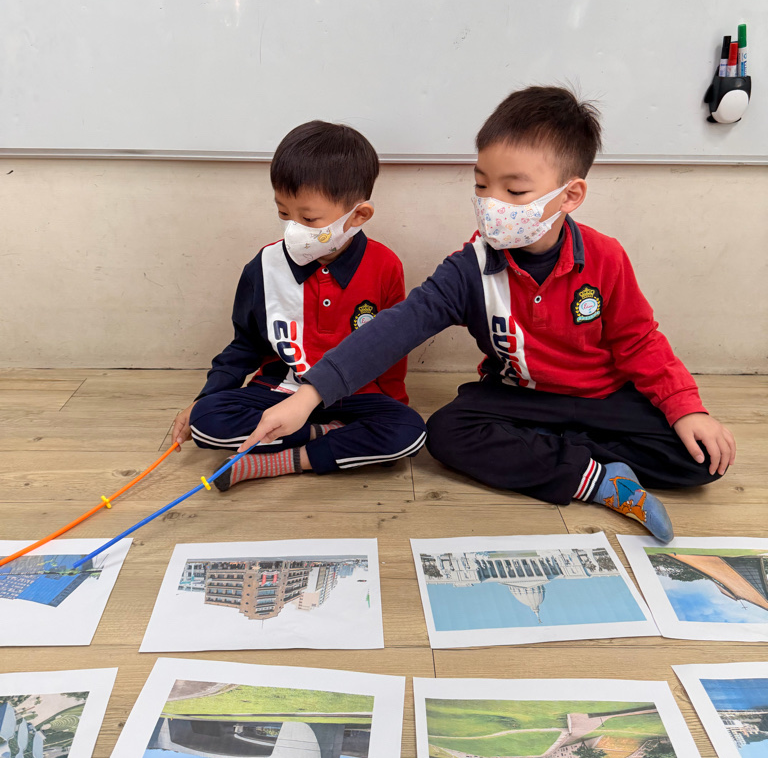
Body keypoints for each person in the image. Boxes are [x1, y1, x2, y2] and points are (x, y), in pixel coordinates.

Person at [237, 87, 737, 543]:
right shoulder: (468, 269)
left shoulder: (606, 257)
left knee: (701, 461)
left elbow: (639, 340)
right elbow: (397, 327)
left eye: (514, 192)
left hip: (603, 397)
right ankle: (598, 478)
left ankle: (553, 451)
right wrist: (310, 395)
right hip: (519, 399)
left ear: (570, 195)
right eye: (481, 185)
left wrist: (687, 408)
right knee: (448, 433)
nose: (492, 204)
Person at [170, 120, 427, 488]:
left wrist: (393, 404)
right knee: (206, 421)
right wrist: (205, 398)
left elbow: (391, 348)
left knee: (408, 431)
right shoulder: (264, 265)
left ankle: (283, 460)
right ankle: (329, 437)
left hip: (355, 396)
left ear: (358, 216)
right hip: (280, 390)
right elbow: (245, 344)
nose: (293, 228)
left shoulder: (385, 265)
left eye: (308, 218)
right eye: (283, 213)